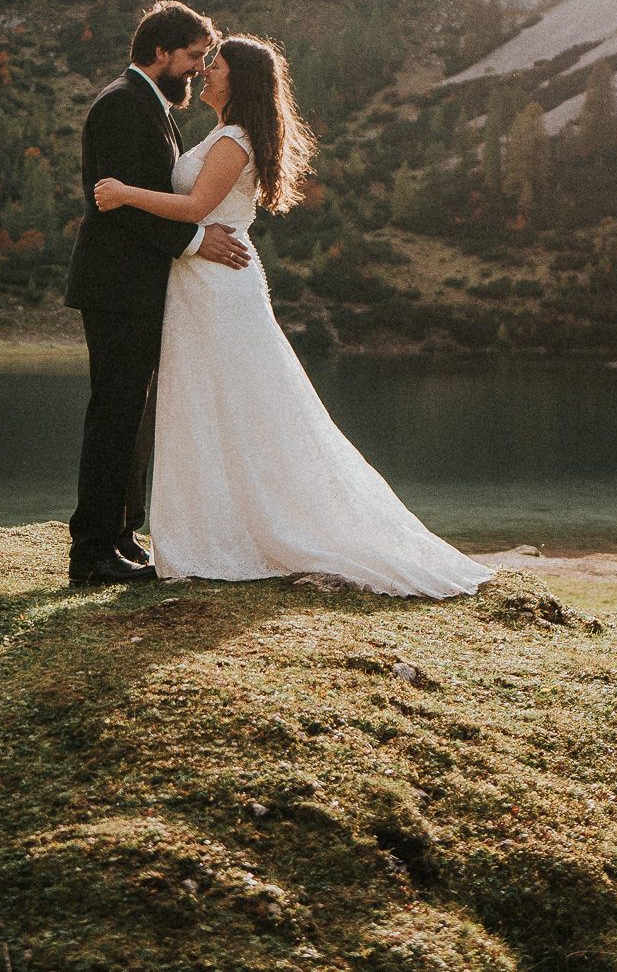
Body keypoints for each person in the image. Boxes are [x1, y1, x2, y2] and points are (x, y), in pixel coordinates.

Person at [94, 34, 491, 599]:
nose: (206, 72)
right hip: (200, 283)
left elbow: (194, 208)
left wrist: (123, 192)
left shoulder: (233, 138)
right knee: (207, 403)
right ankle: (211, 527)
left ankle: (238, 531)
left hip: (217, 286)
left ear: (239, 80)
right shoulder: (223, 132)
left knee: (233, 401)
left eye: (217, 65)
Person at [59, 1, 253, 588]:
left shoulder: (152, 106)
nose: (199, 69)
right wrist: (196, 238)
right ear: (161, 52)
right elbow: (114, 204)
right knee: (114, 411)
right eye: (193, 57)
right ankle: (91, 551)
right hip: (116, 283)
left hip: (138, 283)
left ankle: (120, 535)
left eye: (204, 60)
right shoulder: (122, 105)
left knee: (133, 414)